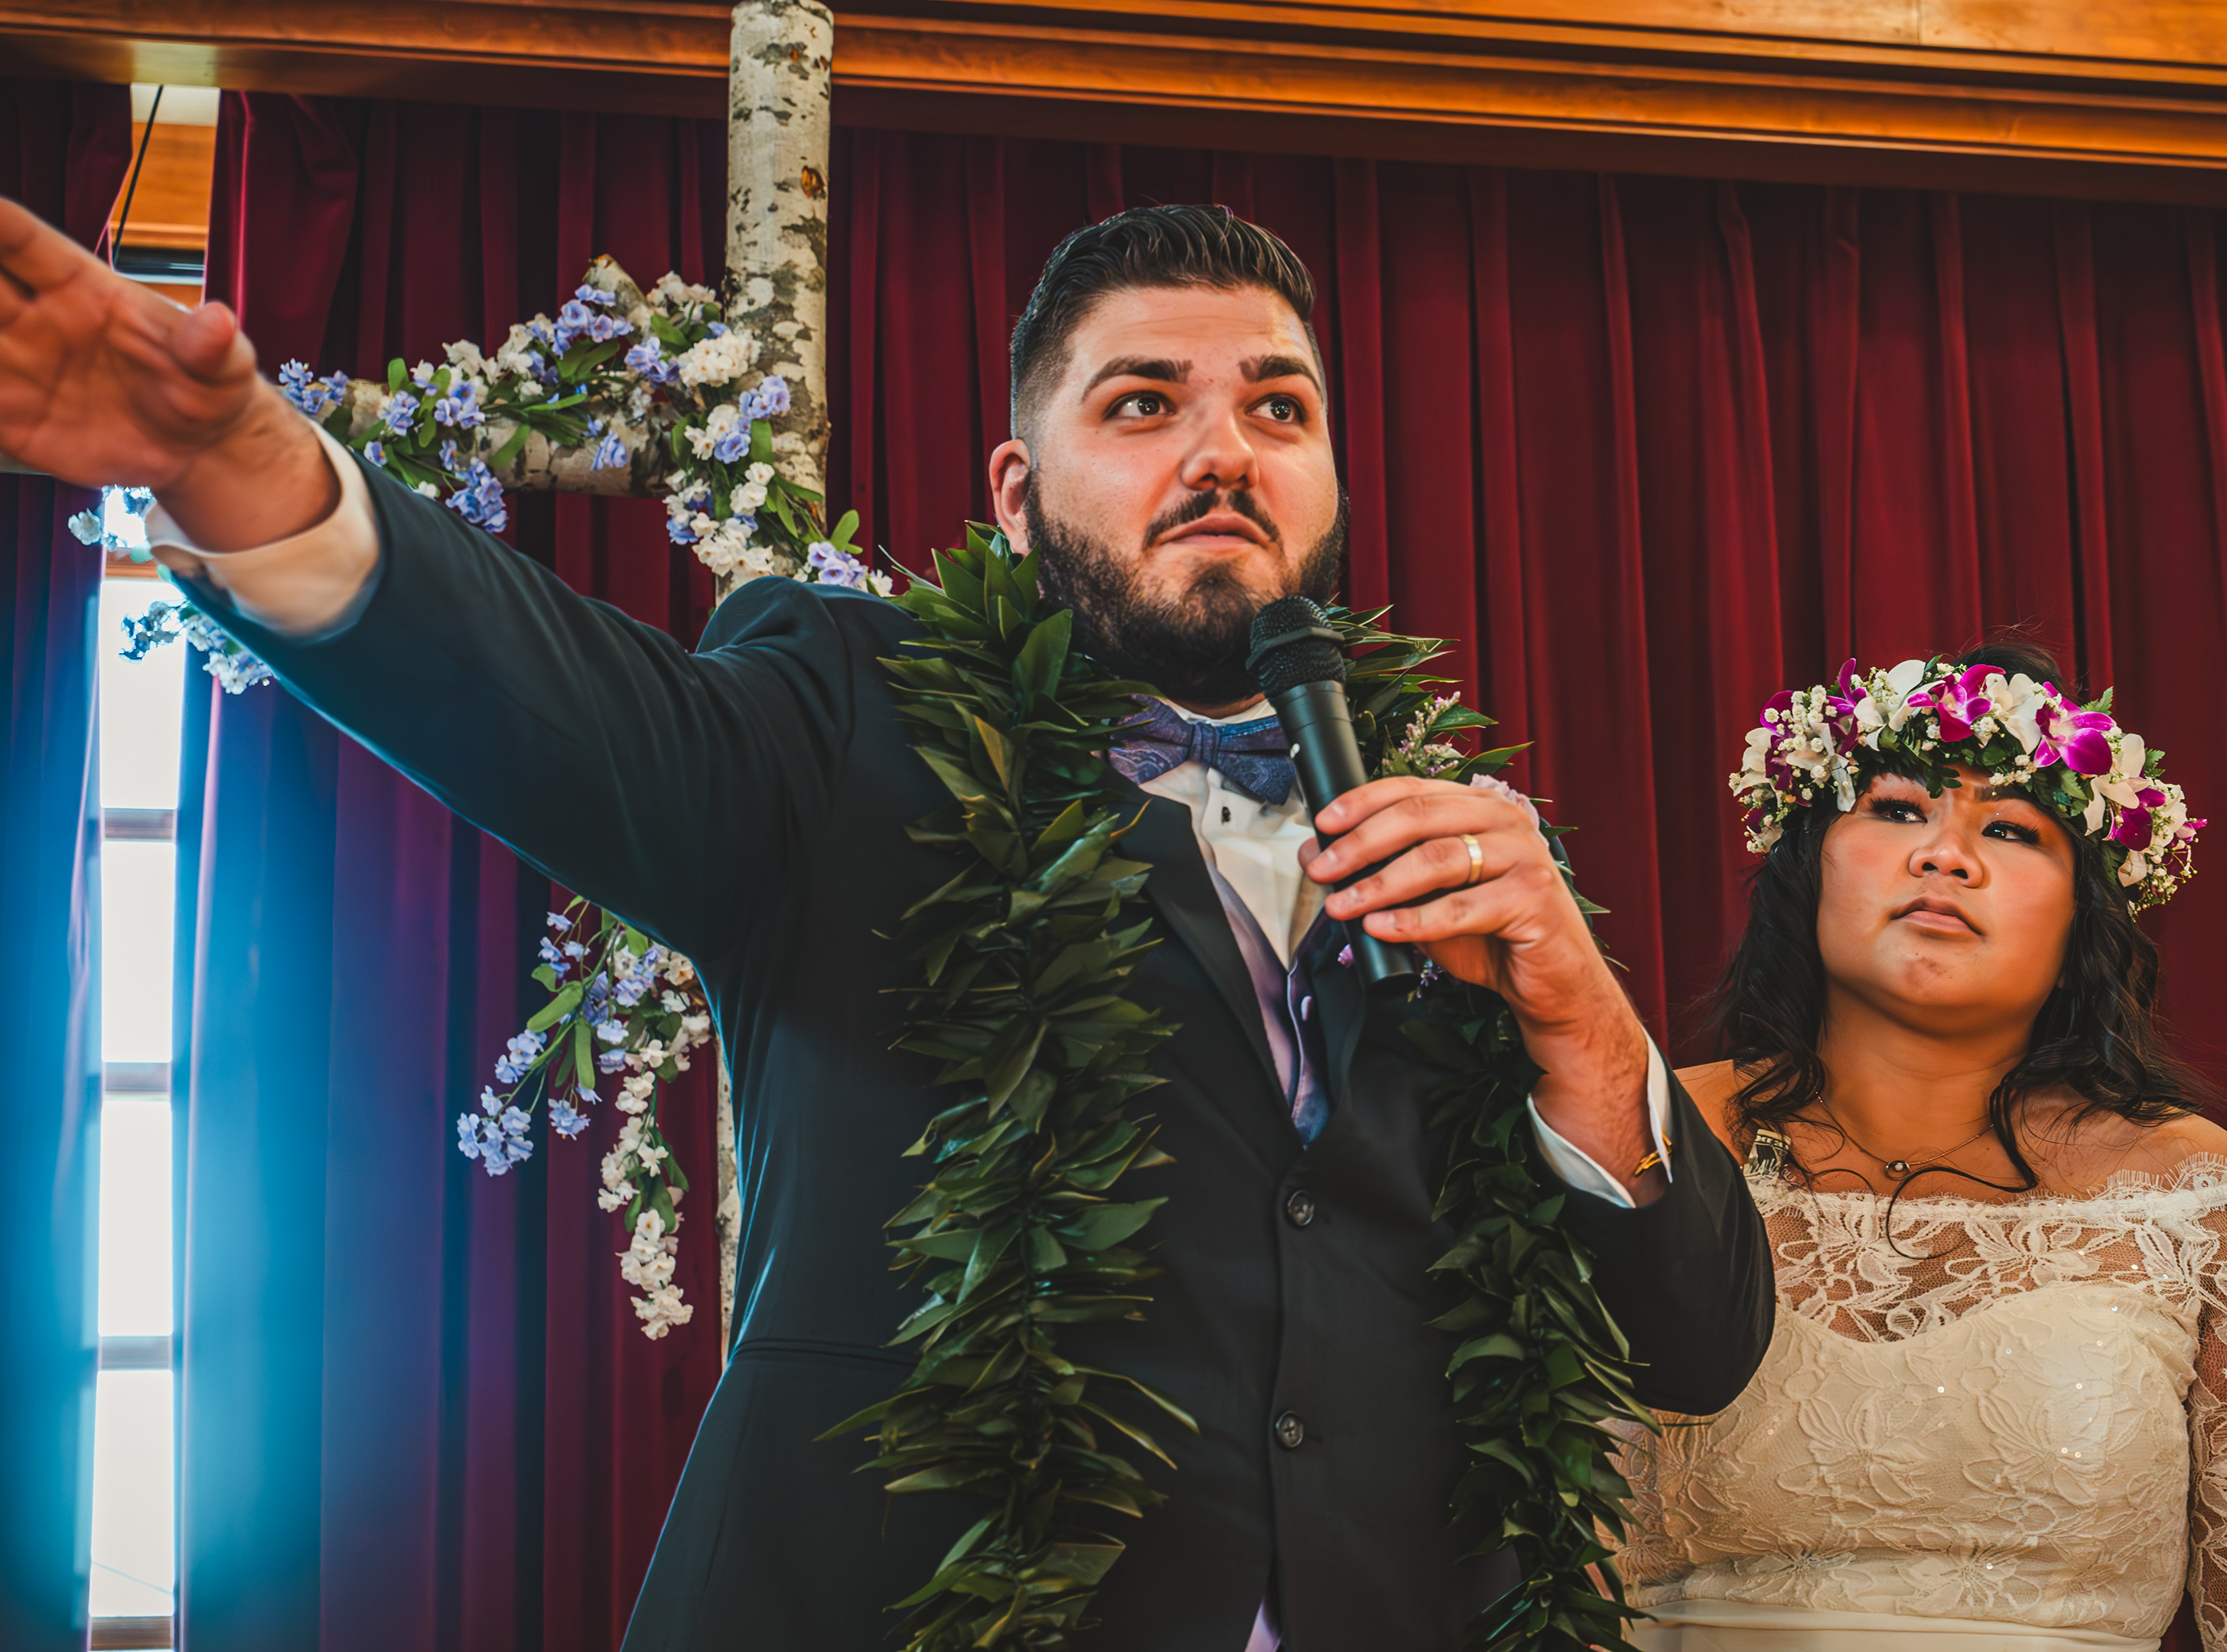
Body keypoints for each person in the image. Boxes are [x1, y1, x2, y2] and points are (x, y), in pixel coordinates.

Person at [0, 198, 1776, 1649]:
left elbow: (1700, 1347)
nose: (1222, 451)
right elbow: (556, 707)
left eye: (1279, 410)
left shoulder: (1466, 847)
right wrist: (244, 463)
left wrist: (1581, 1012)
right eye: (1141, 404)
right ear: (1015, 492)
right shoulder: (847, 721)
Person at [1620, 644, 2227, 1651]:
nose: (1946, 856)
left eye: (2012, 829)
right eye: (1898, 810)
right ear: (1809, 870)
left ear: (2082, 921)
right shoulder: (1645, 1135)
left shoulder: (2195, 1195)